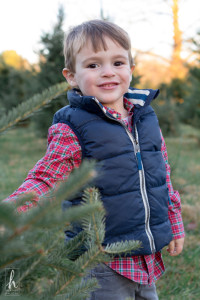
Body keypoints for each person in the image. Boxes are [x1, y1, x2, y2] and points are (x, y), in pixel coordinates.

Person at [4, 20, 185, 299]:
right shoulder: (72, 126)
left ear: (131, 70)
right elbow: (47, 178)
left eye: (117, 62)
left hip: (146, 254)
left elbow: (162, 176)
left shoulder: (145, 117)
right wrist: (10, 215)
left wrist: (174, 223)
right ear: (72, 76)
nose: (107, 72)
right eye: (93, 65)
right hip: (102, 258)